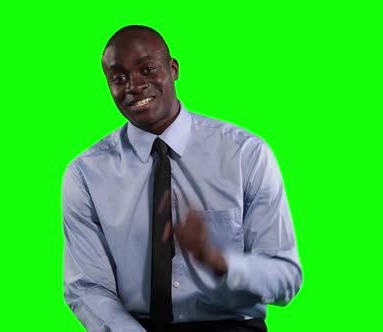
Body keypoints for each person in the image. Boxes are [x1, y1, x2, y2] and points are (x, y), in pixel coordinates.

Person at [62, 25, 302, 332]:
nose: (134, 85)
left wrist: (222, 263)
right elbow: (87, 288)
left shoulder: (245, 154)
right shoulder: (85, 174)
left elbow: (286, 278)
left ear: (173, 69)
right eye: (119, 78)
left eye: (147, 69)